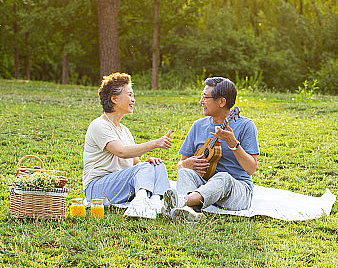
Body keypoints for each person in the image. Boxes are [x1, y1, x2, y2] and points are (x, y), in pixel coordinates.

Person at [163, 76, 259, 222]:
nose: (201, 101)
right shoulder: (198, 126)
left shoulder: (246, 125)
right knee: (185, 173)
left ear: (221, 101)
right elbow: (181, 165)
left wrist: (233, 143)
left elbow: (251, 169)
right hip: (205, 187)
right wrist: (185, 164)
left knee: (223, 177)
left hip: (236, 190)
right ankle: (189, 211)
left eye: (205, 97)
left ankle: (182, 202)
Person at [83, 72, 173, 219]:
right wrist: (155, 143)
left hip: (119, 186)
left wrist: (148, 165)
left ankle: (156, 201)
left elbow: (135, 163)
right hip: (97, 189)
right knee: (145, 168)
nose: (133, 99)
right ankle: (141, 202)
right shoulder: (99, 125)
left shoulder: (124, 130)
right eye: (130, 95)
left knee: (158, 166)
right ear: (114, 99)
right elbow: (122, 152)